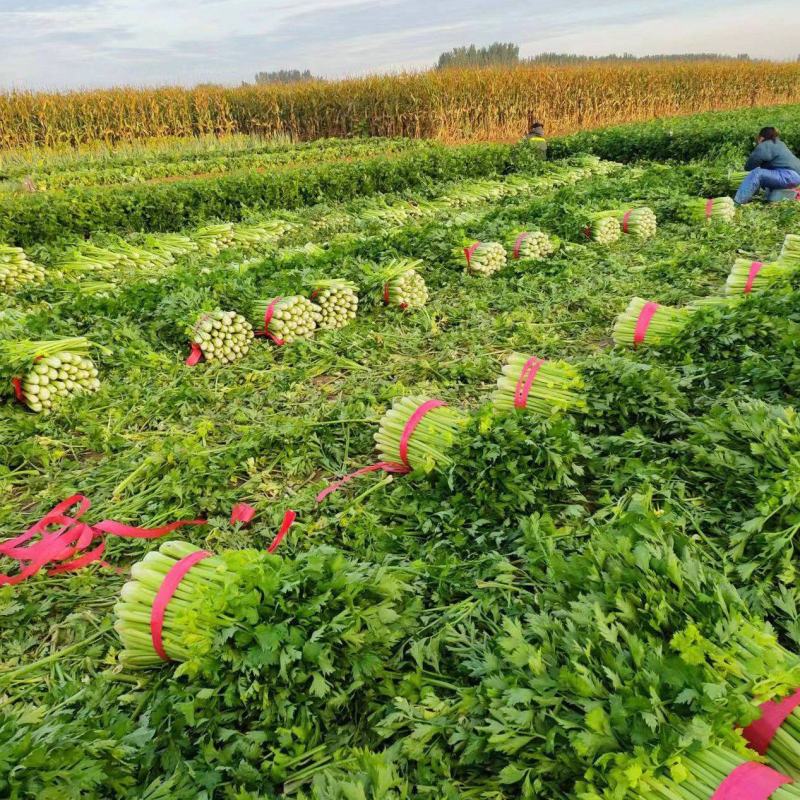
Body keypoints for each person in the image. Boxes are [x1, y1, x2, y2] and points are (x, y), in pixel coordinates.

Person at [734, 127, 800, 204]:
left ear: (761, 138)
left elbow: (749, 166)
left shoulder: (764, 145)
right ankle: (785, 197)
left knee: (757, 173)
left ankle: (737, 202)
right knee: (769, 192)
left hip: (787, 175)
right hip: (795, 177)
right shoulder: (780, 144)